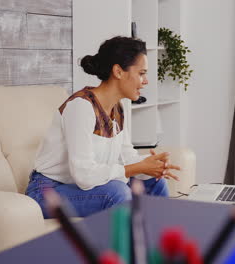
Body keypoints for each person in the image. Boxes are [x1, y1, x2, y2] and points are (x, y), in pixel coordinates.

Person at [26, 36, 181, 218]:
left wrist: (151, 165)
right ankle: (125, 245)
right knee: (117, 191)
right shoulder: (81, 106)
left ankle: (160, 241)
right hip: (48, 192)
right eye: (141, 73)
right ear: (118, 71)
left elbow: (126, 156)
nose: (146, 81)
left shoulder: (117, 108)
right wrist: (138, 168)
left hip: (80, 188)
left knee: (156, 183)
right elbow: (83, 175)